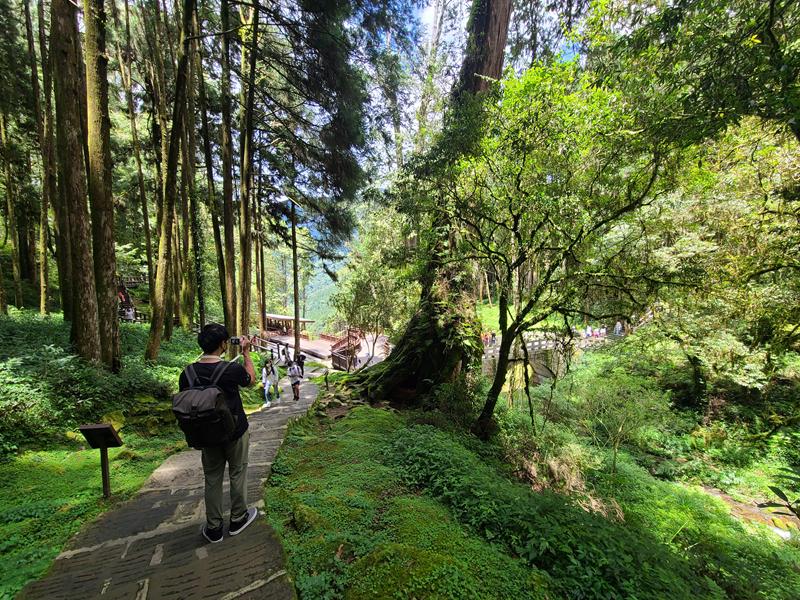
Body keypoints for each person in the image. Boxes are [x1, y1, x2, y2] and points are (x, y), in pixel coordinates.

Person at [178, 323, 258, 544]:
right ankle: (237, 519)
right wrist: (246, 354)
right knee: (237, 473)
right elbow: (251, 380)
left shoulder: (187, 373)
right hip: (234, 432)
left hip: (206, 434)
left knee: (212, 478)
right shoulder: (230, 370)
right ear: (224, 344)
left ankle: (213, 528)